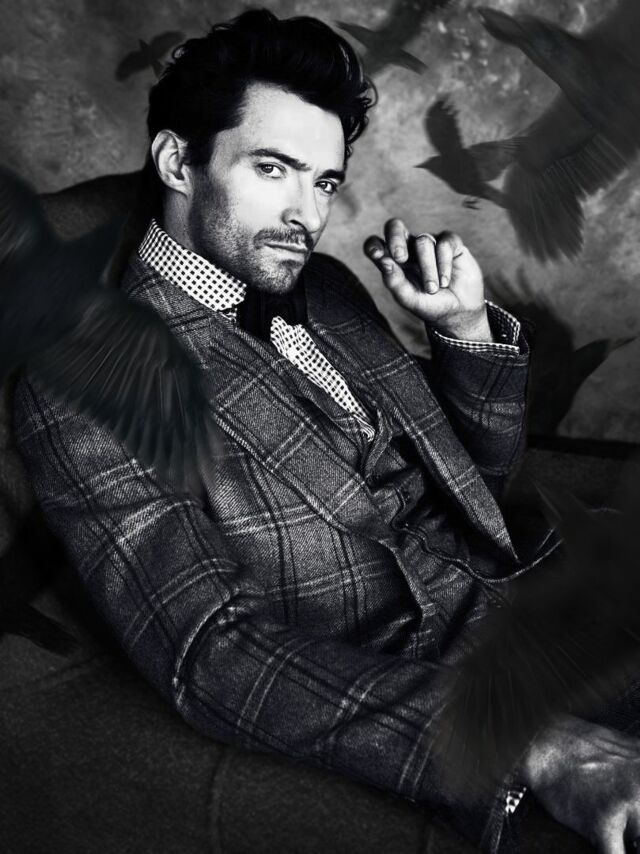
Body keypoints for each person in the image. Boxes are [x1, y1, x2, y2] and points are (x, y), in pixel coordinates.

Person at [12, 10, 640, 853]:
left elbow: (479, 496)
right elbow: (211, 653)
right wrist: (531, 748)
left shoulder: (331, 287)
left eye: (324, 182)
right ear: (176, 161)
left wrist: (463, 333)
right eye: (273, 169)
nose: (304, 213)